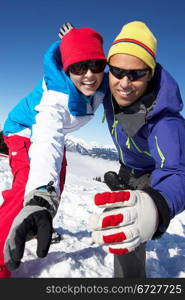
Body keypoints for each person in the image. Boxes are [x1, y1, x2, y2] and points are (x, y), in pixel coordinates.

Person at [0, 23, 107, 278]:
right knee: (30, 185)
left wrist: (72, 41)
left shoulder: (103, 83)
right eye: (79, 67)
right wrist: (39, 199)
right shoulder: (56, 98)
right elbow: (47, 137)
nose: (90, 74)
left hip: (57, 133)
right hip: (25, 130)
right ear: (67, 69)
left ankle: (38, 222)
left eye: (96, 64)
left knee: (56, 180)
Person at [89, 21, 185, 278]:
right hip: (128, 165)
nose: (124, 82)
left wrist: (156, 205)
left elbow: (177, 170)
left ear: (150, 74)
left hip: (152, 171)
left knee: (128, 221)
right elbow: (80, 74)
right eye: (117, 71)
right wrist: (73, 44)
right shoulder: (108, 85)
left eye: (137, 74)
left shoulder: (165, 121)